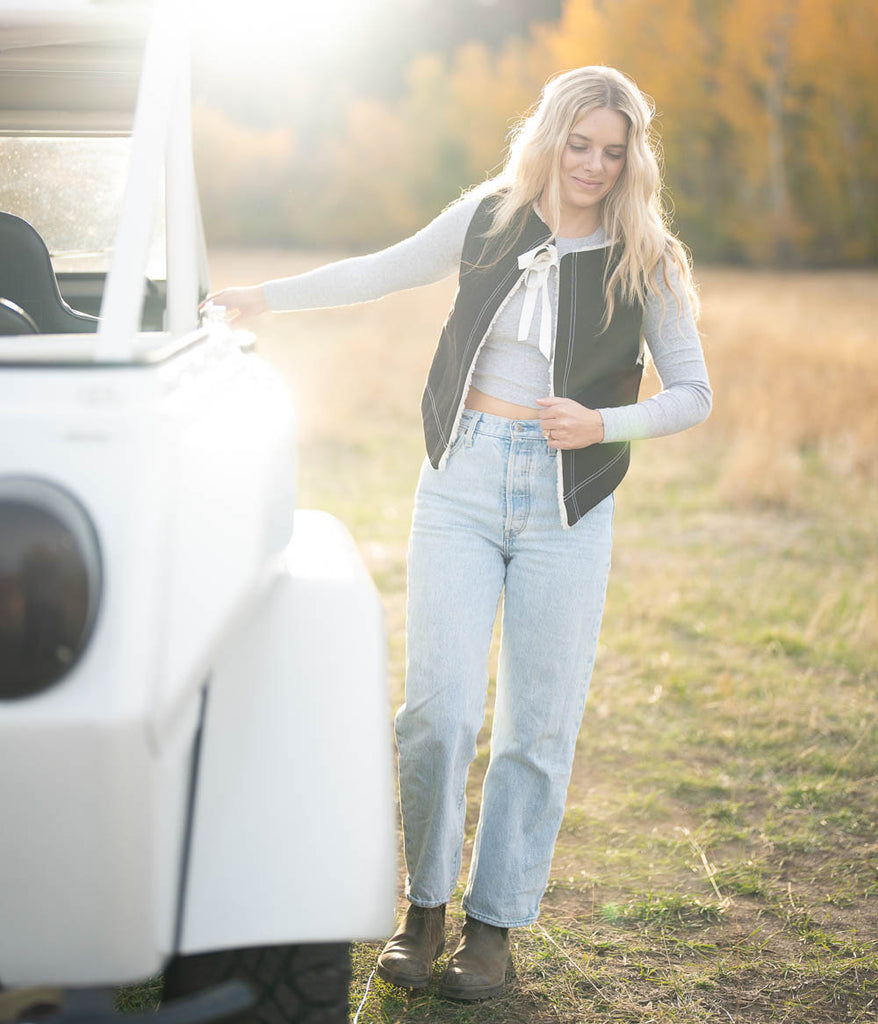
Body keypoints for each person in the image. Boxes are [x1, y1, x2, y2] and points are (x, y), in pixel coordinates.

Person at [207, 65, 712, 1002]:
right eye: (580, 144)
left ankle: (493, 928)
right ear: (551, 136)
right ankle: (425, 907)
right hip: (462, 479)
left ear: (631, 158)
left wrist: (606, 424)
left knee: (536, 728)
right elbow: (381, 269)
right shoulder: (488, 217)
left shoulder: (647, 256)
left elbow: (694, 394)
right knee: (435, 713)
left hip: (570, 503)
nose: (595, 165)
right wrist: (265, 296)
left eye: (614, 150)